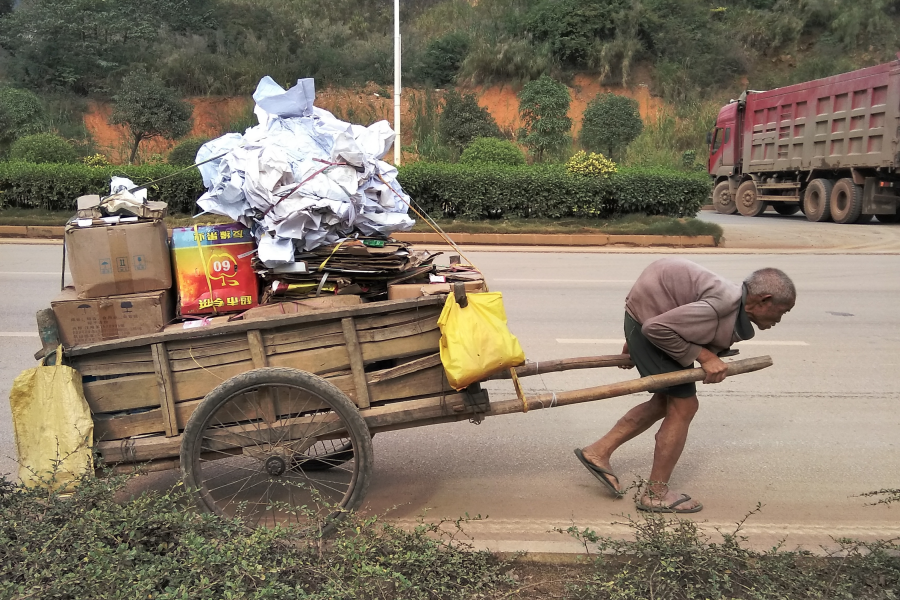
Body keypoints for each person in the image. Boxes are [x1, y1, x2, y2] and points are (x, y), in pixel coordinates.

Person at [574, 258, 796, 513]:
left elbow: (678, 319)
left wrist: (633, 339)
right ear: (764, 300)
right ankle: (656, 494)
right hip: (651, 326)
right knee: (684, 407)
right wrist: (705, 356)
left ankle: (598, 451)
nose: (781, 317)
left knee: (663, 403)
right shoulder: (722, 302)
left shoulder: (732, 301)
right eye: (782, 310)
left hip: (647, 319)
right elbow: (657, 328)